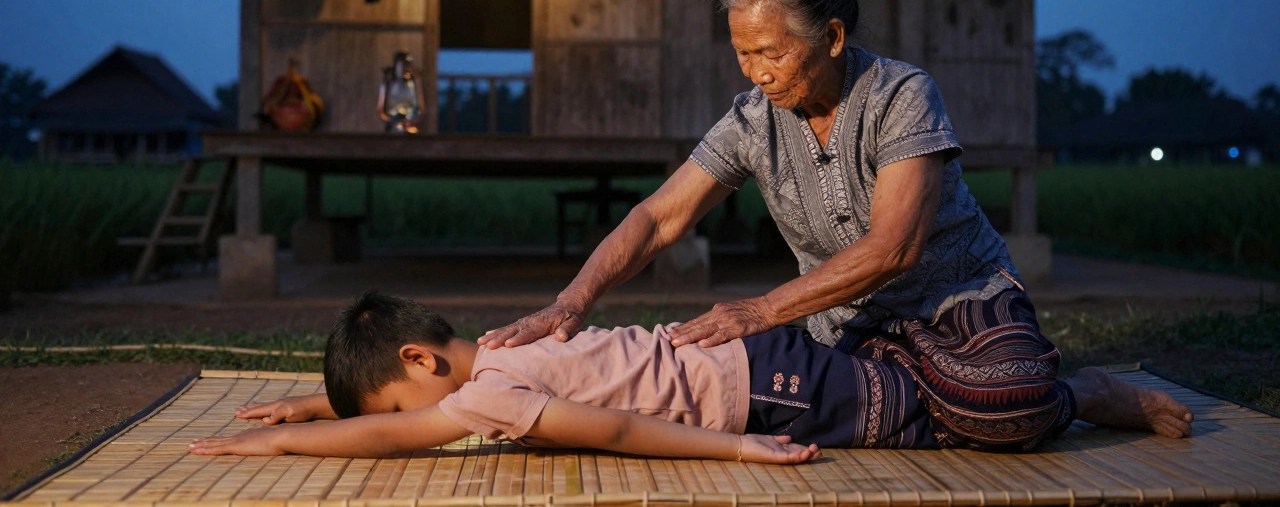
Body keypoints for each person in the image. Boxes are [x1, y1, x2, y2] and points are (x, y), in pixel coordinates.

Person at [478, 0, 1194, 450]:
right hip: (850, 326)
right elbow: (658, 217)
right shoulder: (751, 119)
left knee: (1004, 401)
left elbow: (894, 249)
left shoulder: (902, 95)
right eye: (741, 52)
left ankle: (1087, 393)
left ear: (832, 36)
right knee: (792, 405)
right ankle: (963, 399)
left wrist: (758, 311)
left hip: (956, 299)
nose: (755, 71)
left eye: (771, 51)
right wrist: (572, 302)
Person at [189, 291, 930, 460]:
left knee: (916, 416)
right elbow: (399, 412)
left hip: (758, 392)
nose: (420, 420)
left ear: (419, 359)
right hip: (752, 362)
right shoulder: (496, 351)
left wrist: (737, 450)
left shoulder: (489, 396)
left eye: (390, 397)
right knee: (889, 387)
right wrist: (319, 406)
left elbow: (614, 428)